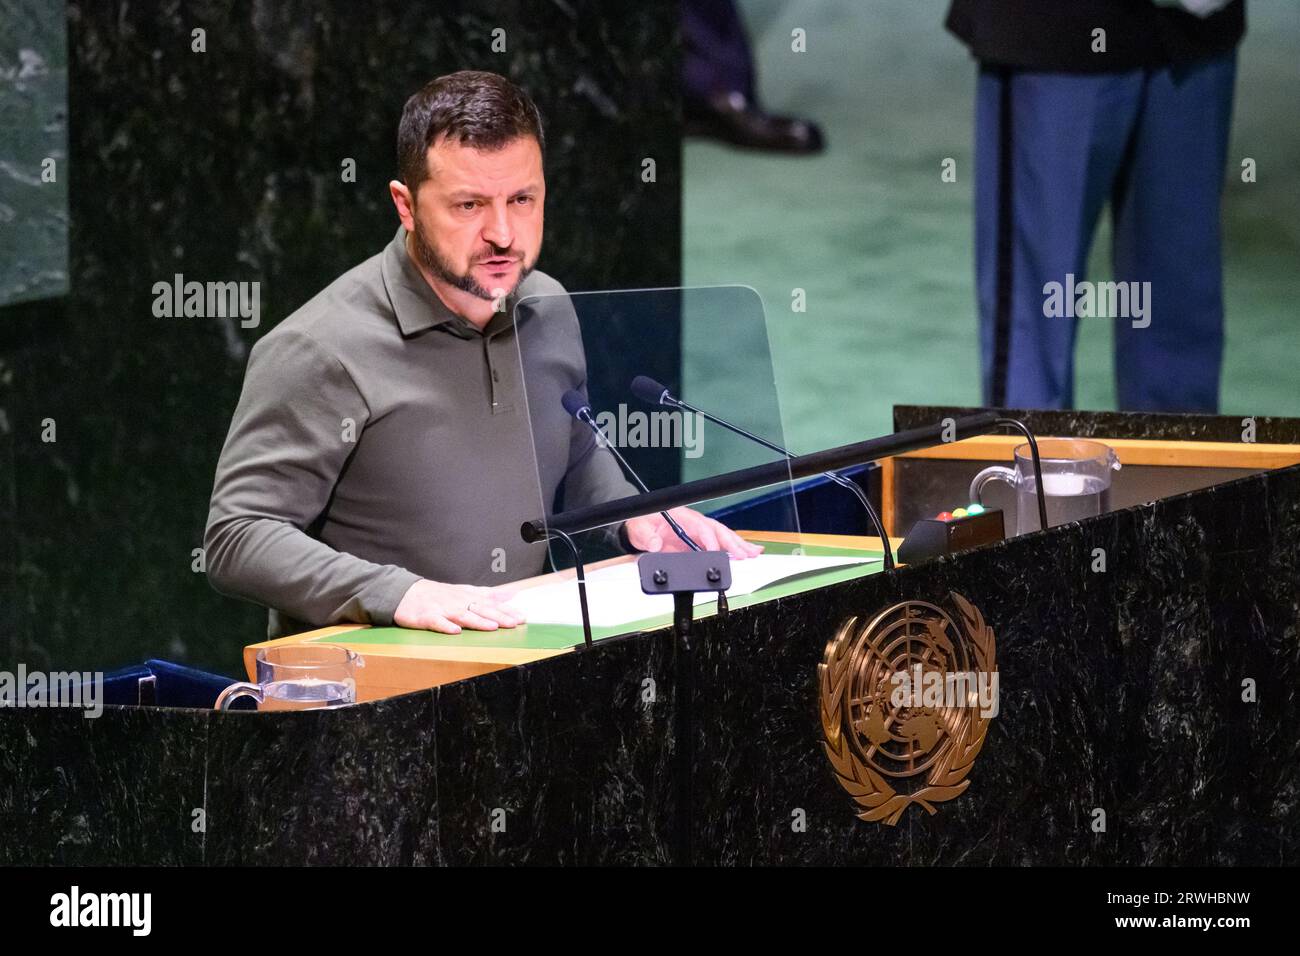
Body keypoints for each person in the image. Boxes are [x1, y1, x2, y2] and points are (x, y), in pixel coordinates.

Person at [204, 70, 760, 639]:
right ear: (406, 205)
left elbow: (575, 454)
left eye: (522, 199)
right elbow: (237, 536)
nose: (502, 233)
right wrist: (397, 593)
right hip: (368, 699)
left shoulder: (548, 306)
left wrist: (634, 518)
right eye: (469, 205)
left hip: (513, 671)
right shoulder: (321, 348)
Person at [946, 0, 1245, 411]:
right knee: (1034, 340)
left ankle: (1179, 475)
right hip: (1058, 32)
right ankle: (1034, 473)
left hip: (1196, 32)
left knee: (1180, 332)